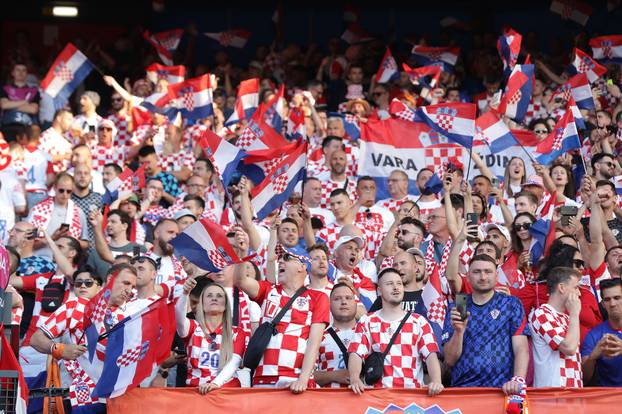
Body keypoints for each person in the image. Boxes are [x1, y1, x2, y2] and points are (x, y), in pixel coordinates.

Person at [233, 251, 329, 392]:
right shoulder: (267, 290)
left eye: (287, 258)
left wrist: (303, 379)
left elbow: (313, 344)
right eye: (280, 259)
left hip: (294, 379)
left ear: (302, 267)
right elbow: (240, 281)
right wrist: (241, 254)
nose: (281, 262)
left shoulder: (318, 297)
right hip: (262, 377)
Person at [347, 268, 443, 394]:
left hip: (411, 398)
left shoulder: (419, 322)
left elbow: (431, 355)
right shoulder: (367, 321)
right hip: (377, 398)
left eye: (399, 283)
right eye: (389, 284)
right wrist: (354, 379)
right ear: (379, 290)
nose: (396, 287)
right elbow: (355, 353)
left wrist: (436, 381)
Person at [442, 254, 529, 394]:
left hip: (502, 389)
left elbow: (521, 348)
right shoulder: (460, 305)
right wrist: (459, 332)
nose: (482, 277)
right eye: (477, 272)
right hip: (462, 390)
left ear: (496, 276)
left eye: (488, 271)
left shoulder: (511, 304)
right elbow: (449, 360)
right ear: (468, 277)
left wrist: (518, 379)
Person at [175, 278, 247, 393]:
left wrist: (215, 384)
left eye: (219, 296)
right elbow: (179, 317)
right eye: (209, 295)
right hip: (195, 393)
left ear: (225, 305)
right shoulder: (193, 328)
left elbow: (234, 362)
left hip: (226, 393)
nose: (214, 298)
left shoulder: (237, 332)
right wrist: (185, 293)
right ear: (202, 304)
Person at [530, 266, 583, 388]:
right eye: (576, 287)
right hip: (552, 393)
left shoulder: (568, 318)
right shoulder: (542, 313)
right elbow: (568, 348)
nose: (579, 293)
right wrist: (575, 314)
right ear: (562, 288)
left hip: (572, 392)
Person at [315, 283, 357, 388]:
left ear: (355, 303)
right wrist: (334, 376)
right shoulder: (319, 336)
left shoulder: (368, 334)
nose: (343, 302)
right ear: (329, 305)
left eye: (348, 298)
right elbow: (306, 375)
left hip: (363, 401)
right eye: (337, 299)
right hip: (328, 400)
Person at [581, 278, 622, 386]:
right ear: (603, 304)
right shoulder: (594, 335)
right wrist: (592, 357)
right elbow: (585, 378)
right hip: (607, 398)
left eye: (617, 298)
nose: (612, 304)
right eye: (607, 299)